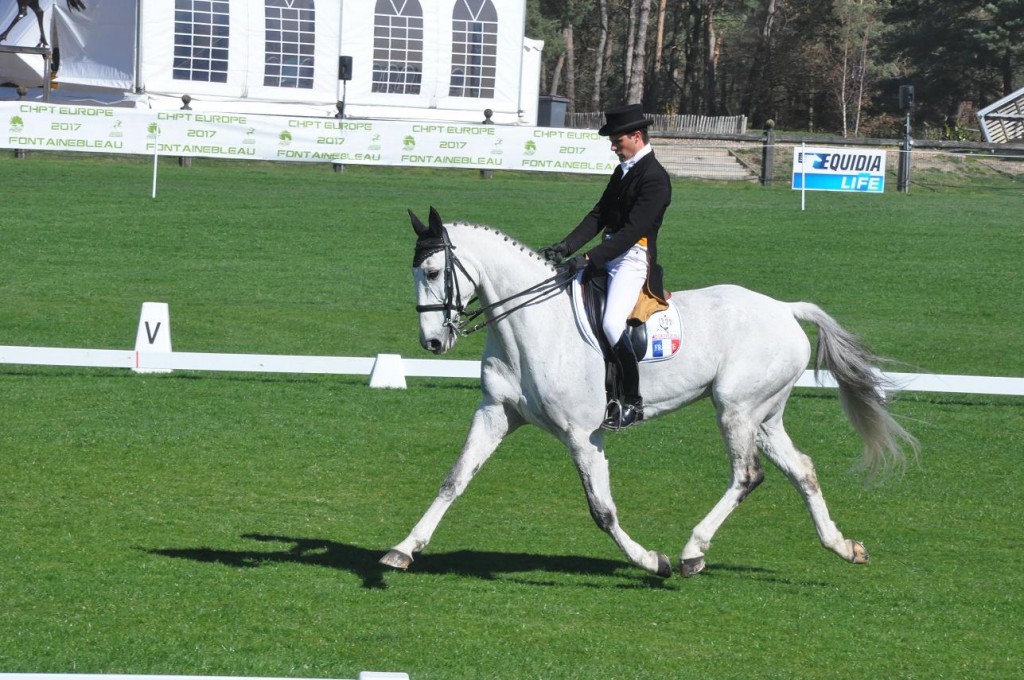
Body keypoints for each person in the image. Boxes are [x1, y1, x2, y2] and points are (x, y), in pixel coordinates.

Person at [540, 103, 672, 430]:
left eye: (617, 141)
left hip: (633, 258)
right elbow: (598, 215)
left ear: (636, 136)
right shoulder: (622, 171)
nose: (613, 147)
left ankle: (632, 401)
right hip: (608, 253)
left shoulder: (655, 178)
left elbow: (631, 233)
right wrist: (566, 246)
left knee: (613, 324)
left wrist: (586, 259)